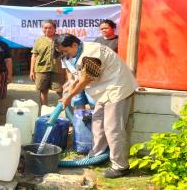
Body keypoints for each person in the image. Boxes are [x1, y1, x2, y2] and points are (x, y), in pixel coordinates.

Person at [54, 33, 138, 179]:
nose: (64, 54)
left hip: (117, 89)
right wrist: (69, 85)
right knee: (98, 123)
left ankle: (120, 166)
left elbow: (86, 80)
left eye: (65, 50)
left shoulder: (91, 55)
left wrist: (69, 97)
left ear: (74, 45)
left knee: (113, 128)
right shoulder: (80, 51)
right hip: (105, 90)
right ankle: (97, 155)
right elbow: (78, 76)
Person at [30, 19, 65, 105]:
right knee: (43, 91)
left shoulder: (60, 39)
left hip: (58, 69)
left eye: (50, 28)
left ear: (55, 29)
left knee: (60, 91)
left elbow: (66, 54)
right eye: (45, 28)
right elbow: (34, 56)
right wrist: (31, 71)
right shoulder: (39, 40)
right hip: (41, 69)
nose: (48, 30)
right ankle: (44, 109)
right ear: (42, 28)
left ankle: (65, 110)